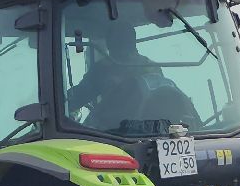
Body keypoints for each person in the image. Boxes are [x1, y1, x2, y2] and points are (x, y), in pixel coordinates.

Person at [65, 20, 196, 132]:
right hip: (154, 130)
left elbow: (77, 97)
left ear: (110, 42)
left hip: (118, 133)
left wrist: (60, 104)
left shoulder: (104, 68)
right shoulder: (151, 66)